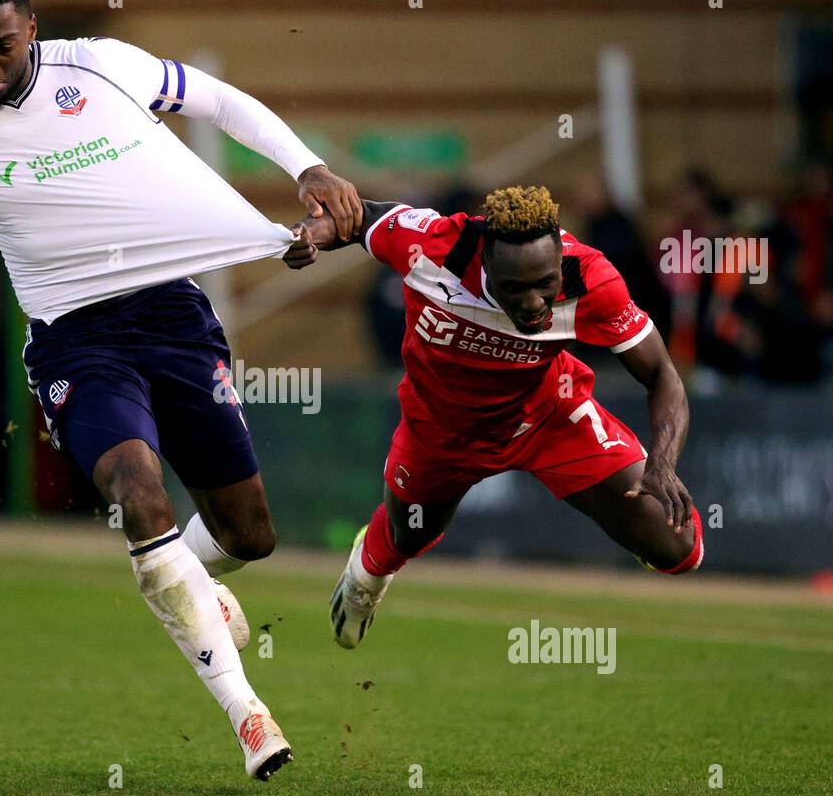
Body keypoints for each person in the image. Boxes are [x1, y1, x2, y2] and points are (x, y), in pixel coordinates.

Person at [0, 0, 362, 780]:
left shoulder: (101, 65)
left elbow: (218, 102)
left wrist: (307, 168)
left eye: (3, 45)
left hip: (173, 317)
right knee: (134, 488)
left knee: (249, 535)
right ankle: (247, 714)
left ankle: (183, 576)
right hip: (73, 341)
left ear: (32, 30)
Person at [284, 185, 702, 650]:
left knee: (678, 547)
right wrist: (308, 234)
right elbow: (355, 219)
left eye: (545, 284)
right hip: (440, 432)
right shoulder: (431, 245)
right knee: (408, 535)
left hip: (550, 417)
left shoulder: (591, 280)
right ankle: (366, 577)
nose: (533, 304)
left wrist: (662, 463)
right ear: (484, 260)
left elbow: (663, 374)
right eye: (513, 288)